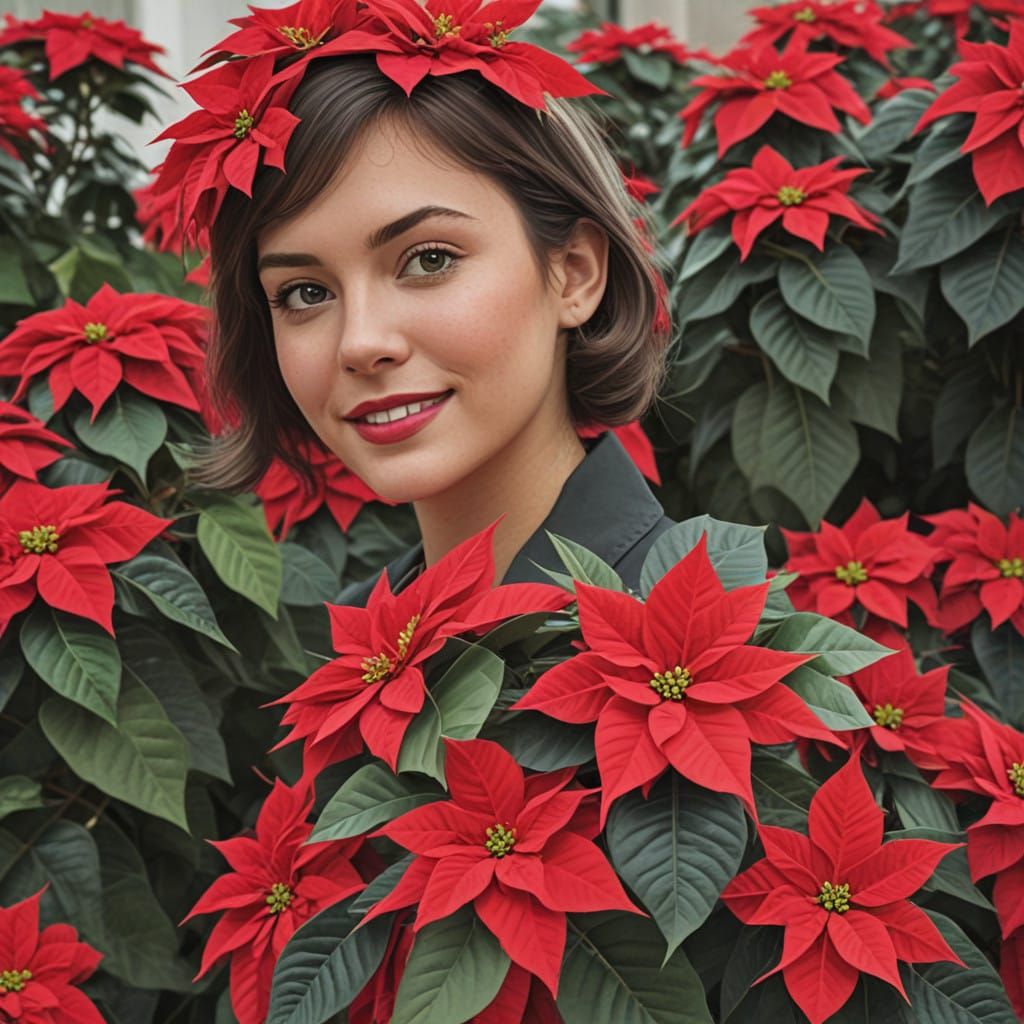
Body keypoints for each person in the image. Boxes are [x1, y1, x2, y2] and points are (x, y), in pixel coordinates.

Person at [162, 0, 675, 599]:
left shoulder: (727, 663)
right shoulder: (352, 643)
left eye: (430, 260)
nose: (360, 343)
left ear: (576, 274)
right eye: (305, 292)